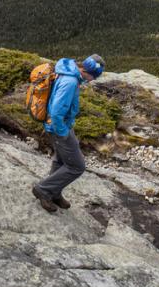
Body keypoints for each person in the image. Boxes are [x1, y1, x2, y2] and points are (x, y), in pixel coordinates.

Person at [31, 54, 105, 212]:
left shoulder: (69, 71)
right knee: (77, 166)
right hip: (59, 127)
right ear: (87, 72)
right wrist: (63, 133)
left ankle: (54, 192)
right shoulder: (70, 81)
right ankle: (43, 190)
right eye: (94, 77)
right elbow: (57, 111)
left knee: (61, 160)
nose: (93, 80)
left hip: (61, 125)